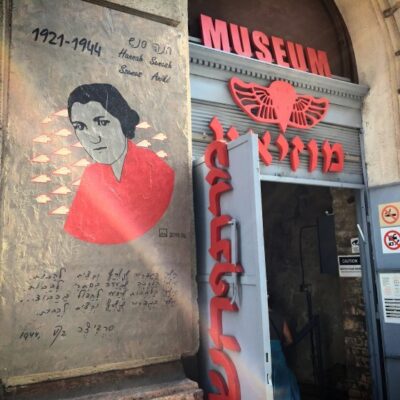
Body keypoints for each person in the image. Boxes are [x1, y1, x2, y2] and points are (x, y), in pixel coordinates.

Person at [64, 83, 174, 244]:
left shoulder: (155, 170)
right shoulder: (92, 174)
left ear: (122, 121)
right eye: (80, 126)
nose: (93, 138)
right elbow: (76, 232)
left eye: (102, 122)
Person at [269, 299, 301, 400]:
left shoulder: (259, 318)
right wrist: (280, 345)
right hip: (278, 353)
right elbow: (290, 340)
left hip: (265, 354)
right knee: (283, 381)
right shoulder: (280, 318)